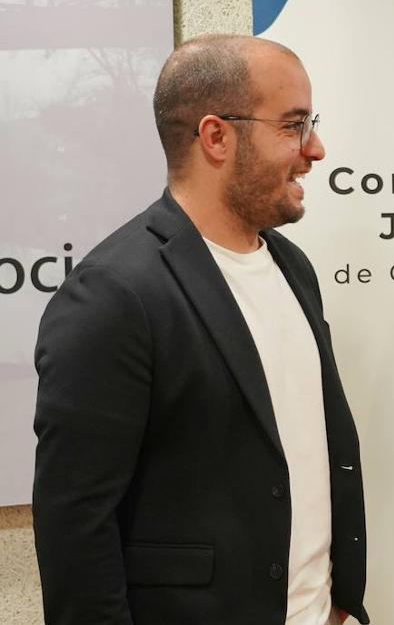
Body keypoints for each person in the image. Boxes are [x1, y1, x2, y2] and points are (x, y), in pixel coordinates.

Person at [32, 35, 368, 625]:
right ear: (217, 137)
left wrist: (341, 599)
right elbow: (77, 527)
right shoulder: (114, 294)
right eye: (292, 125)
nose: (315, 148)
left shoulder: (295, 269)